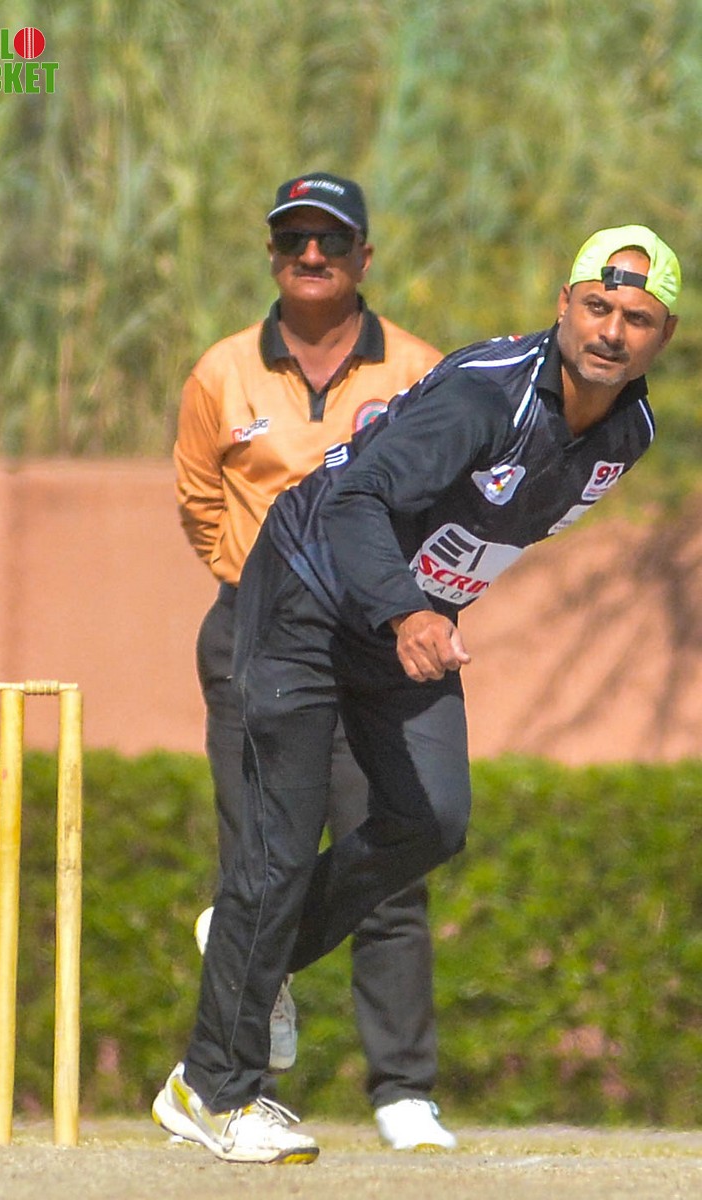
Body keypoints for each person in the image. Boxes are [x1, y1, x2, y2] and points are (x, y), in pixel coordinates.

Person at [154, 224, 681, 1164]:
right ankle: (213, 1090)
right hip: (309, 593)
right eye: (597, 306)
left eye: (637, 318)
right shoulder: (485, 396)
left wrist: (420, 608)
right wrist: (407, 612)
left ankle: (254, 949)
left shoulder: (630, 432)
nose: (611, 331)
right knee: (279, 850)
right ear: (563, 305)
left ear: (664, 336)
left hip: (403, 619)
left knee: (432, 817)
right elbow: (354, 500)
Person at [171, 171, 455, 1150]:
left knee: (395, 847)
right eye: (293, 239)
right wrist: (259, 589)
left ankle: (403, 1090)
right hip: (258, 636)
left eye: (330, 240)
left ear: (363, 256)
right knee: (262, 863)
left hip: (371, 641)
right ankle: (232, 1088)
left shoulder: (418, 369)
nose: (311, 255)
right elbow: (199, 501)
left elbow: (441, 495)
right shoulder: (221, 372)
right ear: (272, 255)